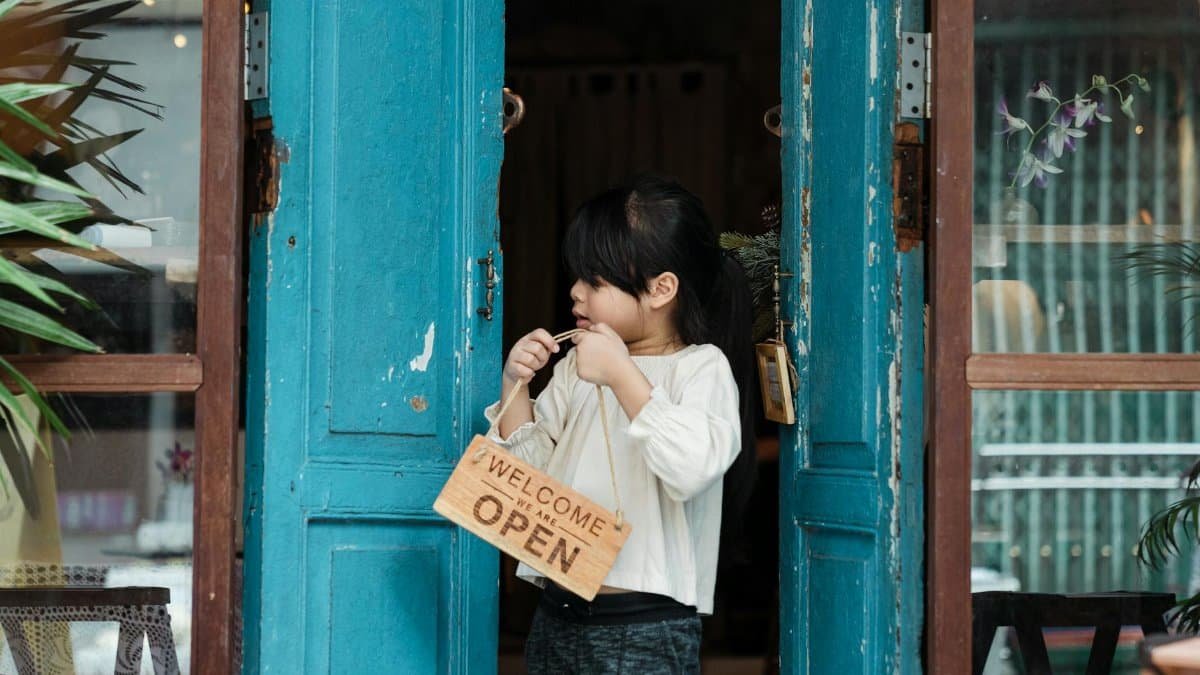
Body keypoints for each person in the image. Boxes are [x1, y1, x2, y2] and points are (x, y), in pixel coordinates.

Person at [486, 174, 756, 674]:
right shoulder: (575, 366)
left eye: (595, 281)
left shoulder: (702, 368)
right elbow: (529, 480)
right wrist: (515, 385)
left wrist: (620, 375)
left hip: (645, 626)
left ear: (661, 289)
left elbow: (691, 467)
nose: (575, 293)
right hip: (557, 613)